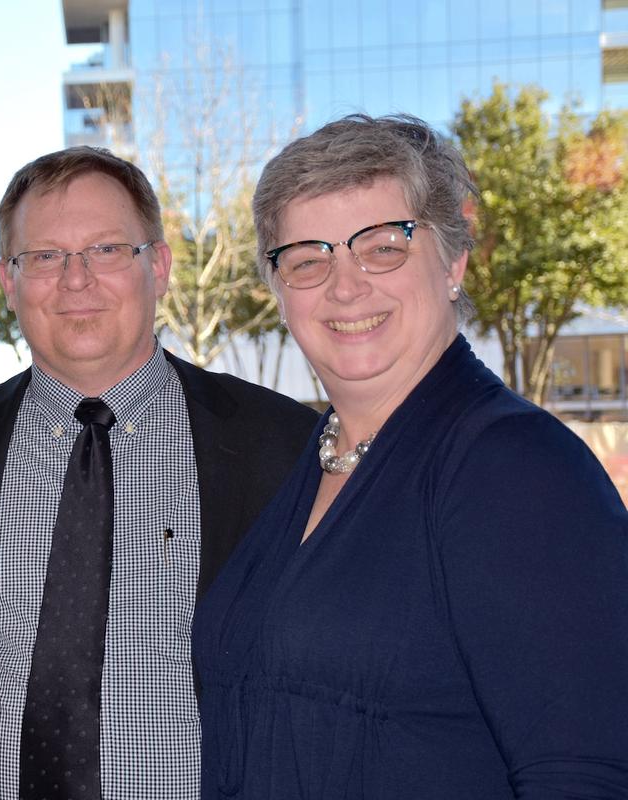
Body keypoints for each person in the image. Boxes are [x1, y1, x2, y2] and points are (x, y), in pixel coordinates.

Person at [192, 114, 628, 798]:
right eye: (307, 259)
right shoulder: (308, 465)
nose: (345, 286)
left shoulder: (518, 469)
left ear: (452, 263)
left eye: (382, 247)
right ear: (278, 291)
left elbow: (582, 772)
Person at [0, 146, 317, 799]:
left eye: (107, 250)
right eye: (44, 257)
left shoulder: (280, 447)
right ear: (9, 280)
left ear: (159, 266)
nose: (76, 280)